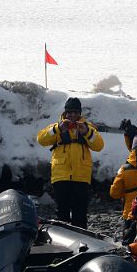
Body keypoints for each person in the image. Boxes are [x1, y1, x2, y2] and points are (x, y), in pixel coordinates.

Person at [37, 97, 104, 228]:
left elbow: (99, 145)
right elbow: (41, 139)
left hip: (81, 178)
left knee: (80, 215)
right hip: (61, 177)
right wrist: (57, 129)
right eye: (70, 112)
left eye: (76, 112)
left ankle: (81, 244)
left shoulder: (87, 128)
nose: (73, 115)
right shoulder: (57, 127)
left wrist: (86, 132)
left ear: (80, 113)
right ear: (65, 113)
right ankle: (63, 243)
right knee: (62, 214)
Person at [110, 136, 137, 243]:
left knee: (128, 242)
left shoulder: (124, 169)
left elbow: (114, 193)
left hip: (129, 211)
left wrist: (125, 193)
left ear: (133, 149)